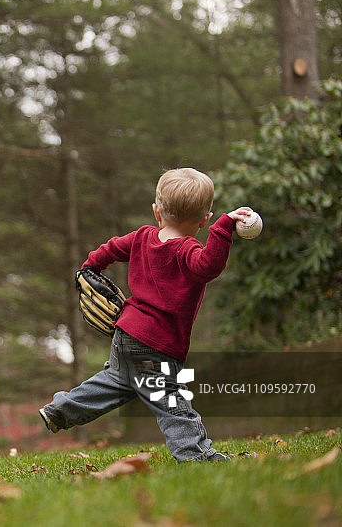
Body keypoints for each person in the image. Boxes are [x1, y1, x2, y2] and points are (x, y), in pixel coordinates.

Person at [39, 167, 253, 462]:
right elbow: (209, 265)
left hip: (125, 335)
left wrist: (89, 268)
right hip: (157, 345)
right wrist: (224, 227)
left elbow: (112, 248)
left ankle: (60, 410)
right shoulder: (186, 250)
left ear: (157, 211)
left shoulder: (142, 237)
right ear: (204, 220)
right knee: (172, 403)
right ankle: (195, 455)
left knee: (116, 382)